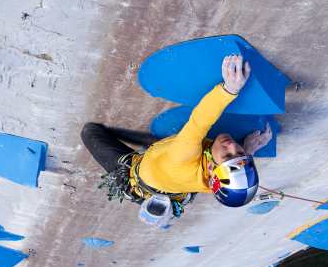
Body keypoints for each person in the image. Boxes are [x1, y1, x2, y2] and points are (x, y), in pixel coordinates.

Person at [81, 55, 271, 220]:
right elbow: (234, 170)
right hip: (171, 179)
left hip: (140, 173)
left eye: (228, 156)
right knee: (173, 146)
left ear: (212, 169)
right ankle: (153, 145)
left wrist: (229, 89)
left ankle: (147, 144)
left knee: (89, 131)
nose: (232, 146)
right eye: (238, 152)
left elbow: (200, 121)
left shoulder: (184, 154)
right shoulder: (218, 178)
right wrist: (248, 151)